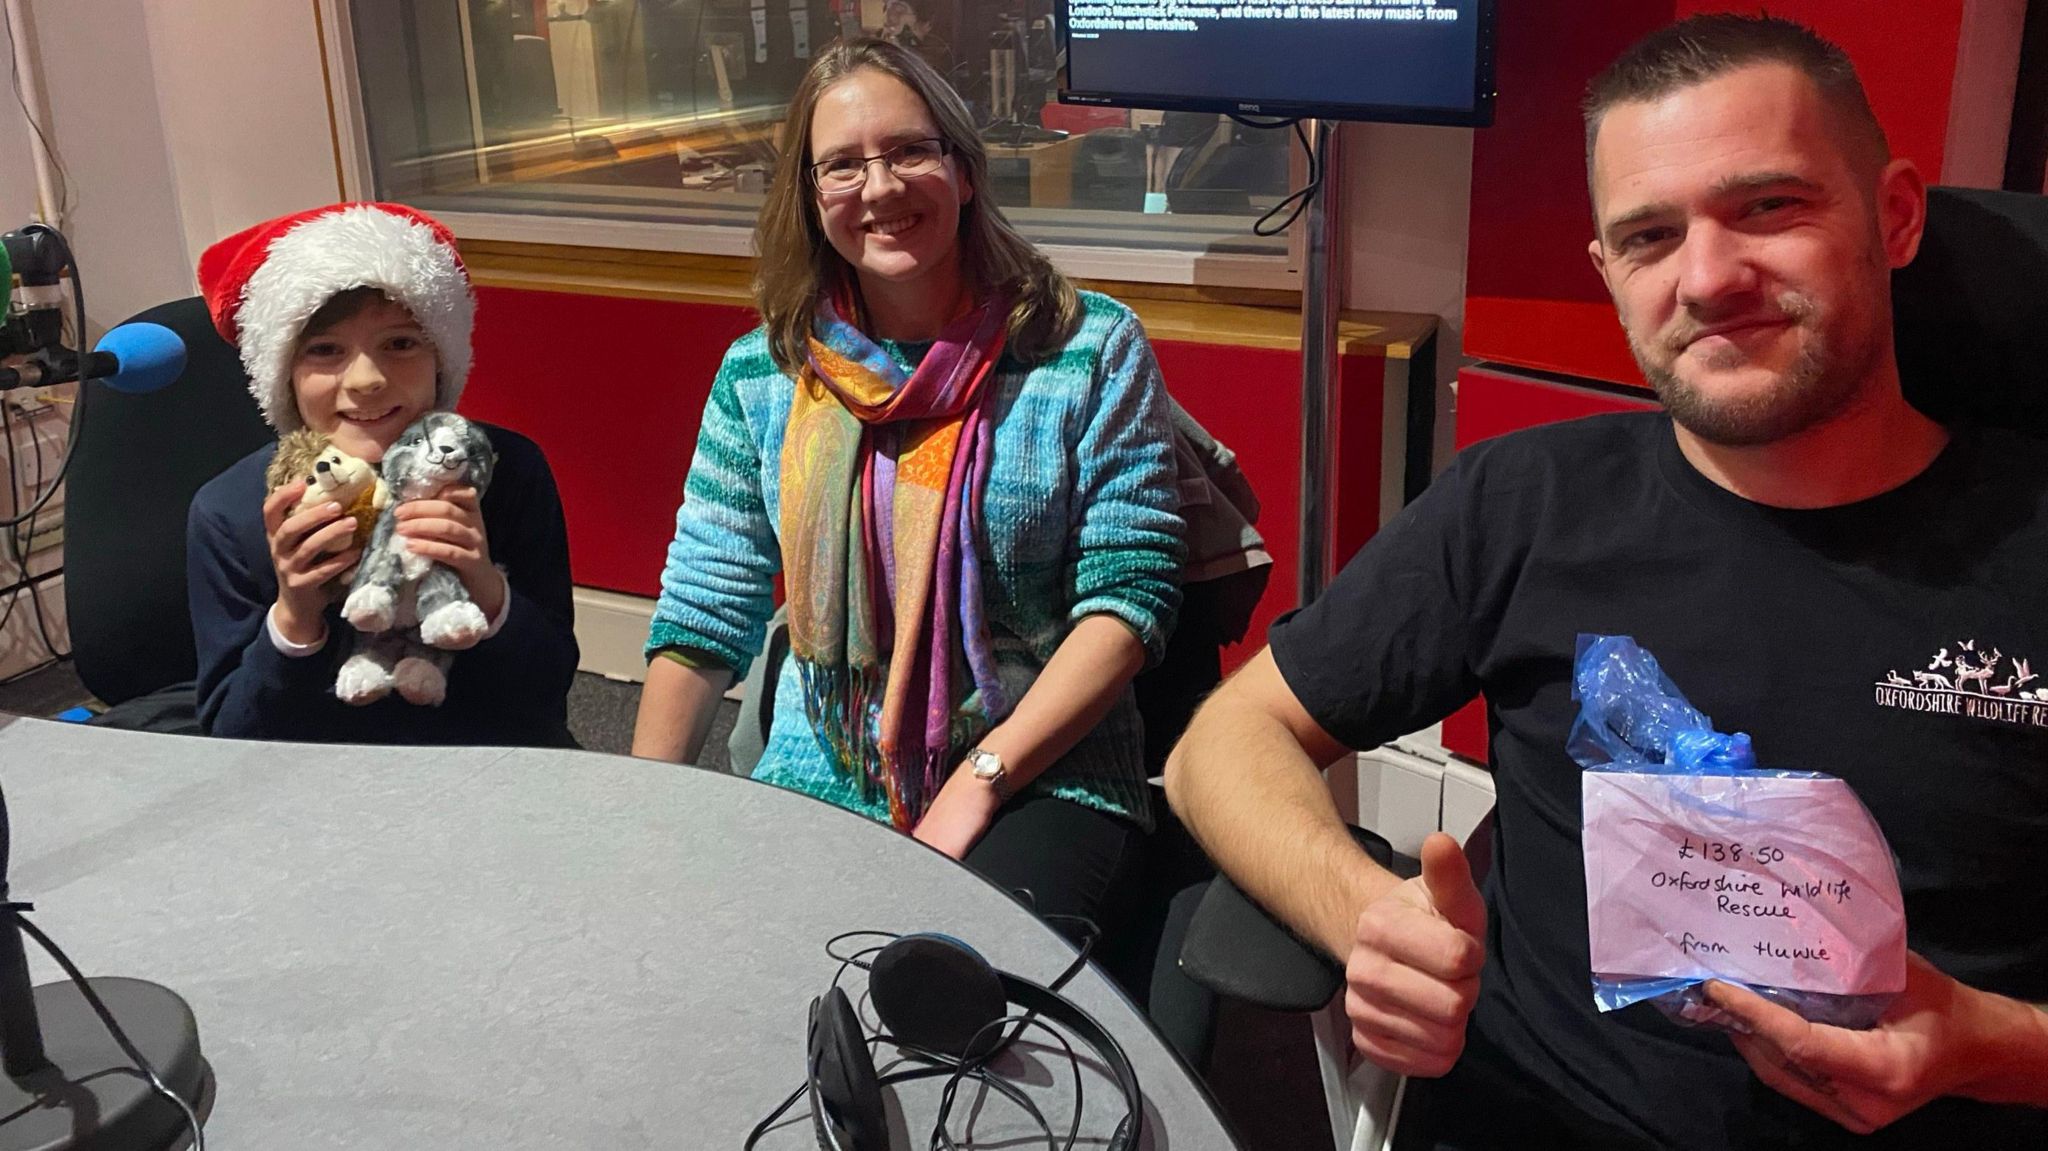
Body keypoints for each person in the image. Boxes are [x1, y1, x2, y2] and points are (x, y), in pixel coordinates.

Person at [1164, 15, 2048, 1150]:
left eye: (1767, 207)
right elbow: (1221, 743)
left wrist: (1989, 1042)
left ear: (1893, 215)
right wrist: (1367, 915)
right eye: (1647, 235)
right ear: (1606, 272)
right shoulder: (1523, 501)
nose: (1707, 276)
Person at [632, 38, 1183, 943]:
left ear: (963, 172)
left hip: (1043, 773)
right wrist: (641, 814)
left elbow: (1129, 605)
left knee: (960, 988)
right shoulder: (763, 375)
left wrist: (977, 784)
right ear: (811, 200)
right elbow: (703, 612)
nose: (880, 189)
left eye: (908, 152)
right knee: (737, 963)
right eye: (843, 165)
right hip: (826, 764)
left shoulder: (1088, 348)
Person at [188, 203, 579, 747]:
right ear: (283, 375)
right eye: (326, 351)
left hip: (489, 764)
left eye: (400, 343)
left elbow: (546, 692)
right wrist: (295, 618)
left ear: (441, 359)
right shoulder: (231, 511)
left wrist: (486, 587)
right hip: (322, 784)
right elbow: (235, 732)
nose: (368, 379)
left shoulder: (503, 472)